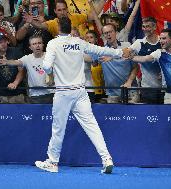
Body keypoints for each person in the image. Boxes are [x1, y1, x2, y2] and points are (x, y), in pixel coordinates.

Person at [34, 16, 130, 173]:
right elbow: (100, 50)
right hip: (80, 91)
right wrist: (120, 52)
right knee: (92, 125)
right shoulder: (78, 42)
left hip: (63, 92)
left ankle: (52, 162)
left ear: (58, 27)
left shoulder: (53, 43)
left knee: (58, 129)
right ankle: (106, 159)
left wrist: (50, 70)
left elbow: (46, 66)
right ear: (69, 27)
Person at [131, 28, 171, 104]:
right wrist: (129, 57)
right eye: (160, 38)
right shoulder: (159, 53)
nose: (161, 41)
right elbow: (144, 59)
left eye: (164, 38)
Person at [0, 34, 54, 104]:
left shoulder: (50, 56)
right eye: (34, 44)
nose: (37, 45)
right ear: (30, 47)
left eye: (39, 43)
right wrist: (7, 62)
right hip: (35, 95)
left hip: (51, 93)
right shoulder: (27, 58)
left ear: (43, 45)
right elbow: (16, 62)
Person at [128, 17, 162, 104]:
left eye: (148, 26)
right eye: (143, 26)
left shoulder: (163, 41)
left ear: (155, 27)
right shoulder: (139, 43)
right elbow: (125, 53)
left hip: (165, 87)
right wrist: (111, 56)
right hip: (147, 88)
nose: (145, 29)